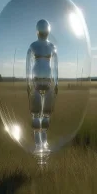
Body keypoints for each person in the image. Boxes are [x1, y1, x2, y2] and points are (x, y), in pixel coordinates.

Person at [26, 19, 58, 151]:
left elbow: (55, 67)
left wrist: (56, 83)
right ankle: (38, 142)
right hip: (36, 82)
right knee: (36, 112)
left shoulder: (52, 47)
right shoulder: (33, 46)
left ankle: (43, 142)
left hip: (47, 82)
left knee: (46, 113)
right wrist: (28, 83)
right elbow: (28, 66)